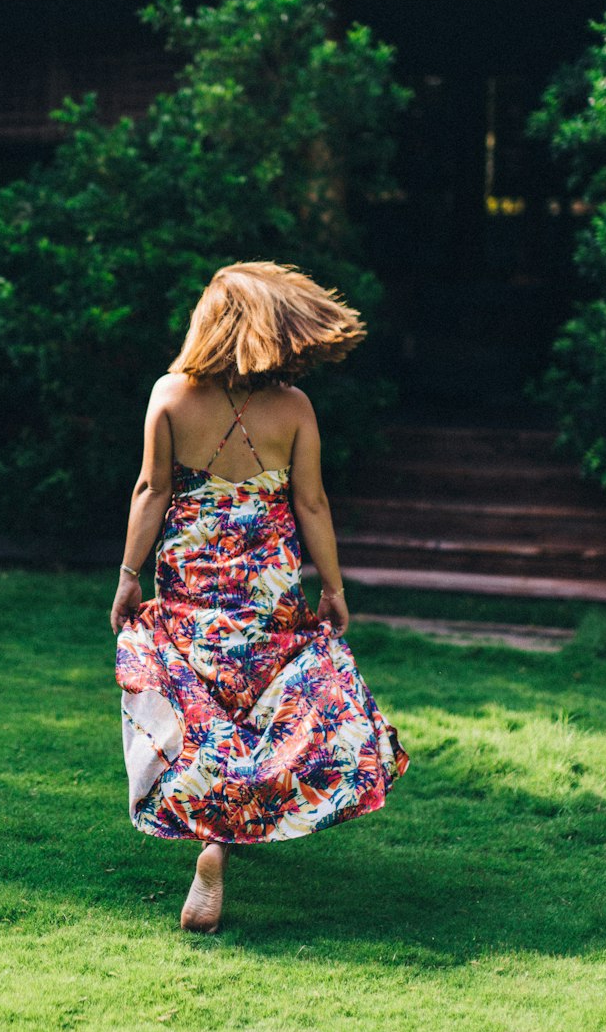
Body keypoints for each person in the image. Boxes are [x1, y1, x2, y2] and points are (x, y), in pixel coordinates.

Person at [112, 261, 409, 933]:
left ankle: (213, 838)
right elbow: (311, 501)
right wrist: (331, 587)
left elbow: (150, 492)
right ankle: (240, 824)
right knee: (261, 704)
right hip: (267, 580)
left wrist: (130, 576)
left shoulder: (169, 396)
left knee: (203, 705)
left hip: (190, 572)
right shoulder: (294, 409)